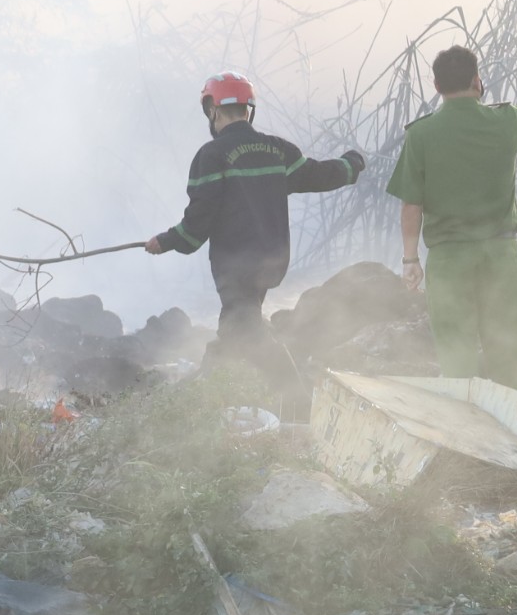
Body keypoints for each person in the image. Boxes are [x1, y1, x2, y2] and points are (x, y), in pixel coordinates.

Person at [145, 72, 364, 408]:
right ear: (249, 110)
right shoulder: (277, 150)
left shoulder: (212, 155)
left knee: (246, 330)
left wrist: (166, 241)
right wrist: (352, 165)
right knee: (233, 330)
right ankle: (207, 401)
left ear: (213, 110)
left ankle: (296, 401)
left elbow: (197, 223)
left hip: (236, 264)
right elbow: (320, 175)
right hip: (272, 260)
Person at [387, 44, 517, 387]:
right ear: (477, 81)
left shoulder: (421, 134)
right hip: (500, 256)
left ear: (436, 86)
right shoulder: (503, 121)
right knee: (506, 357)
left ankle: (461, 431)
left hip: (448, 260)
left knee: (456, 358)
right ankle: (510, 431)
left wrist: (410, 259)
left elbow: (410, 206)